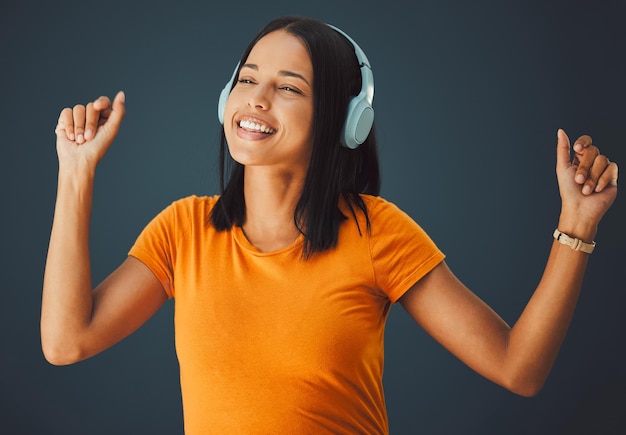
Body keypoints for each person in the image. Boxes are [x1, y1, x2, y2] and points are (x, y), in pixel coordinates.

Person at [41, 15, 618, 435]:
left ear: (347, 120)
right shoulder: (182, 231)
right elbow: (67, 343)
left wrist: (577, 222)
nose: (257, 99)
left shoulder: (376, 232)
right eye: (247, 79)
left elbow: (519, 369)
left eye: (289, 88)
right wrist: (76, 172)